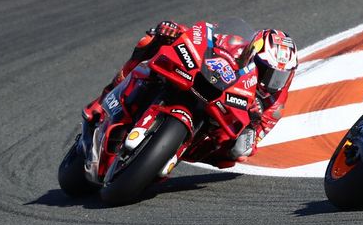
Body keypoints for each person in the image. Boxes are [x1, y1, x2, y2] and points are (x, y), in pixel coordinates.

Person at [82, 20, 298, 164]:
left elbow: (258, 134)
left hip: (219, 117)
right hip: (197, 80)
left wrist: (250, 132)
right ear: (253, 53)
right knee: (151, 41)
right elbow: (203, 35)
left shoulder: (276, 99)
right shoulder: (235, 43)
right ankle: (106, 98)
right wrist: (175, 30)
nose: (273, 82)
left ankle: (167, 154)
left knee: (238, 155)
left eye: (281, 75)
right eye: (268, 71)